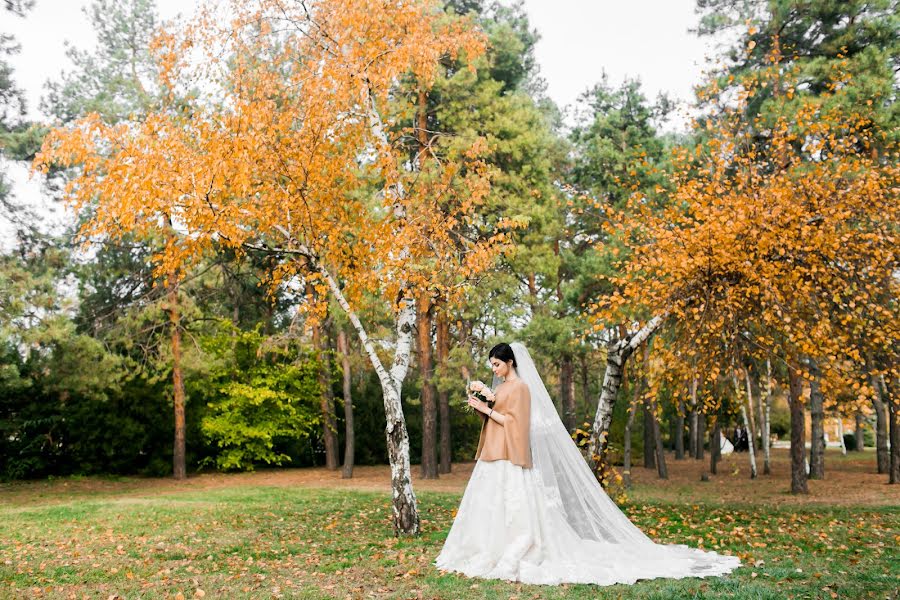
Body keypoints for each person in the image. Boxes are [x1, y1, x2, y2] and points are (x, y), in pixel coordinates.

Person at [434, 342, 740, 586]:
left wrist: (488, 411)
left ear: (510, 362)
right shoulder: (500, 388)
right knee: (491, 506)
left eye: (497, 364)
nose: (494, 370)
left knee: (517, 511)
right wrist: (484, 402)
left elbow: (516, 426)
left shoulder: (522, 389)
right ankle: (487, 548)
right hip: (493, 453)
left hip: (511, 455)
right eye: (491, 366)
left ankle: (512, 552)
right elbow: (497, 416)